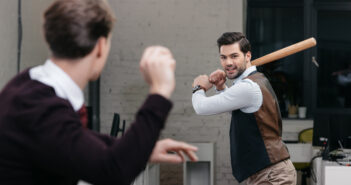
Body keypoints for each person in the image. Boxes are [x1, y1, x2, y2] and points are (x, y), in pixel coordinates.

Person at [0, 0, 198, 185]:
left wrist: (143, 149)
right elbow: (113, 170)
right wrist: (160, 91)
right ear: (101, 46)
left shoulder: (28, 84)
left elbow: (74, 139)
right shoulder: (40, 108)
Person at [191, 32, 296, 184]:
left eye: (234, 56)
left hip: (272, 175)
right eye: (223, 57)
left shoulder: (248, 87)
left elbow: (201, 107)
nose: (228, 62)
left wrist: (198, 87)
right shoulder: (254, 81)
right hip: (265, 172)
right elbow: (235, 107)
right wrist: (220, 87)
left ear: (248, 56)